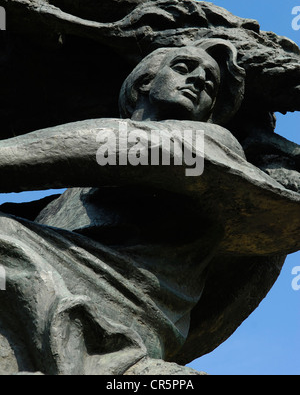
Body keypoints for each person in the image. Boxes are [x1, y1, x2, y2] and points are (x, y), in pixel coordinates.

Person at [0, 39, 299, 375]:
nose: (198, 80)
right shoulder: (72, 195)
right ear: (144, 82)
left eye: (210, 84)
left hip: (111, 320)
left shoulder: (210, 143)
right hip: (52, 292)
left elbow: (114, 145)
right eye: (184, 68)